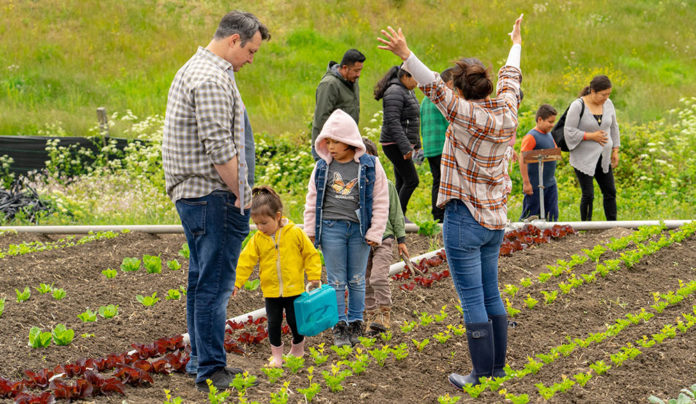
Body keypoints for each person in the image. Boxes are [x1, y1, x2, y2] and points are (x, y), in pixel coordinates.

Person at [378, 14, 523, 389]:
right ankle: (498, 370)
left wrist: (405, 53)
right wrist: (516, 42)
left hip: (463, 218)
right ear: (488, 87)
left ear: (458, 90)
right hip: (495, 220)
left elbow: (430, 85)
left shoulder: (461, 112)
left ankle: (479, 374)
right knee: (491, 292)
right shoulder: (507, 110)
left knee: (473, 296)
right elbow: (512, 76)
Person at [161, 10, 270, 392]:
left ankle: (199, 361)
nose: (251, 60)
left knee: (199, 279)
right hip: (212, 196)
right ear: (234, 41)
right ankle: (210, 367)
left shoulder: (195, 69)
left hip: (195, 195)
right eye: (251, 51)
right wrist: (242, 194)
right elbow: (220, 147)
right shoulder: (209, 78)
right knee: (215, 285)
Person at [304, 109, 389, 347]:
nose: (330, 146)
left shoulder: (370, 166)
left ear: (350, 141)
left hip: (359, 231)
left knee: (357, 279)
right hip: (331, 229)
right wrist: (310, 231)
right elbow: (312, 201)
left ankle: (355, 322)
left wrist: (376, 231)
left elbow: (381, 200)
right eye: (327, 141)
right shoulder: (322, 168)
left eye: (335, 141)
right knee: (336, 281)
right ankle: (339, 325)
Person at [233, 186, 322, 368]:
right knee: (273, 323)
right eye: (256, 223)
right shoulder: (258, 239)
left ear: (278, 216)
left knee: (294, 321)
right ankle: (277, 356)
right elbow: (246, 261)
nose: (259, 227)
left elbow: (310, 254)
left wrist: (313, 276)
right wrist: (236, 283)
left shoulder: (295, 233)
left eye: (264, 223)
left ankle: (298, 349)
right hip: (271, 291)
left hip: (294, 289)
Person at [362, 138, 409, 333]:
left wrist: (402, 240)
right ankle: (371, 318)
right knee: (365, 281)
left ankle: (385, 313)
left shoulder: (387, 185)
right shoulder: (353, 186)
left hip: (384, 238)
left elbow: (396, 214)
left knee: (378, 277)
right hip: (362, 241)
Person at [564, 75, 620, 221]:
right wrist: (590, 136)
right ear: (593, 91)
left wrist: (615, 149)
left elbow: (614, 127)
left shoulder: (609, 104)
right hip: (583, 157)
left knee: (610, 191)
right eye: (603, 94)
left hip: (604, 156)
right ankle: (586, 226)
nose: (606, 97)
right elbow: (568, 131)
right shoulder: (577, 106)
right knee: (588, 194)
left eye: (609, 94)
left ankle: (612, 225)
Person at [374, 65, 421, 217]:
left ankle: (393, 217)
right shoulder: (394, 91)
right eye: (416, 78)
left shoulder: (407, 90)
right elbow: (393, 121)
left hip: (402, 144)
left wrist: (416, 144)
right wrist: (406, 148)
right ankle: (398, 218)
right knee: (412, 180)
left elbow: (413, 119)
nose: (418, 83)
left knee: (401, 182)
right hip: (394, 144)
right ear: (406, 76)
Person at [311, 49, 366, 161]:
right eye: (356, 71)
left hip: (346, 146)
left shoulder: (352, 81)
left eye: (360, 70)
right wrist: (329, 147)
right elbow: (322, 118)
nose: (358, 75)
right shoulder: (329, 84)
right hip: (329, 149)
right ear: (345, 68)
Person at [420, 67, 454, 222]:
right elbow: (450, 124)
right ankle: (442, 214)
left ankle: (437, 214)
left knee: (437, 180)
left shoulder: (425, 100)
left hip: (429, 146)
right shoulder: (442, 99)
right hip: (442, 145)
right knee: (444, 180)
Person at [519, 104, 559, 221]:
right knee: (531, 214)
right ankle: (522, 236)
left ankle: (550, 237)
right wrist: (526, 182)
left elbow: (553, 153)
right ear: (540, 119)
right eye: (550, 122)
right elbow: (523, 159)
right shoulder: (531, 137)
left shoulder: (549, 134)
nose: (552, 125)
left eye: (553, 122)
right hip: (535, 184)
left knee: (551, 214)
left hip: (550, 183)